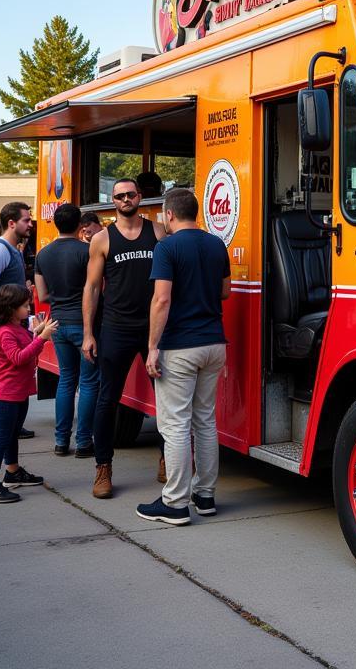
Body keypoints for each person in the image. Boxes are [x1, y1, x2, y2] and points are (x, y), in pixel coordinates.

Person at [136, 188, 231, 525]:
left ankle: (174, 503)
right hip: (214, 344)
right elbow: (225, 291)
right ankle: (204, 496)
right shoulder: (216, 244)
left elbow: (161, 300)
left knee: (175, 426)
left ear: (169, 214)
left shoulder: (167, 247)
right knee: (205, 421)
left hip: (180, 346)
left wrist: (152, 346)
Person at [84, 178, 166, 499]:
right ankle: (103, 467)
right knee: (108, 399)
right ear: (112, 200)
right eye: (119, 196)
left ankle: (167, 459)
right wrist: (89, 333)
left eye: (130, 194)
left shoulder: (158, 232)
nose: (126, 199)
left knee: (167, 399)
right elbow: (91, 288)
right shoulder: (102, 239)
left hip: (152, 329)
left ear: (140, 197)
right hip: (115, 328)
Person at [0, 284, 57, 504]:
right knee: (1, 438)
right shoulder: (5, 332)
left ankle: (12, 472)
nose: (28, 308)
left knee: (12, 434)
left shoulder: (17, 327)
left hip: (18, 393)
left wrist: (38, 336)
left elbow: (28, 353)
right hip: (5, 395)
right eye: (24, 305)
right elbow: (18, 358)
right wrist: (41, 338)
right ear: (10, 308)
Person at [34, 203, 98, 457]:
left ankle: (61, 441)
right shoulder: (87, 251)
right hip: (84, 325)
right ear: (80, 225)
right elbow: (96, 290)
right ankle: (84, 443)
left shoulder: (43, 255)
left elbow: (42, 294)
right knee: (89, 383)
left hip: (57, 323)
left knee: (66, 381)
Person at [0, 202, 35, 444]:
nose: (30, 224)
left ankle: (9, 424)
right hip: (4, 322)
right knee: (2, 372)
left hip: (11, 320)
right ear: (11, 223)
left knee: (11, 371)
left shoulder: (12, 249)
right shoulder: (0, 249)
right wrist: (10, 305)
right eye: (26, 220)